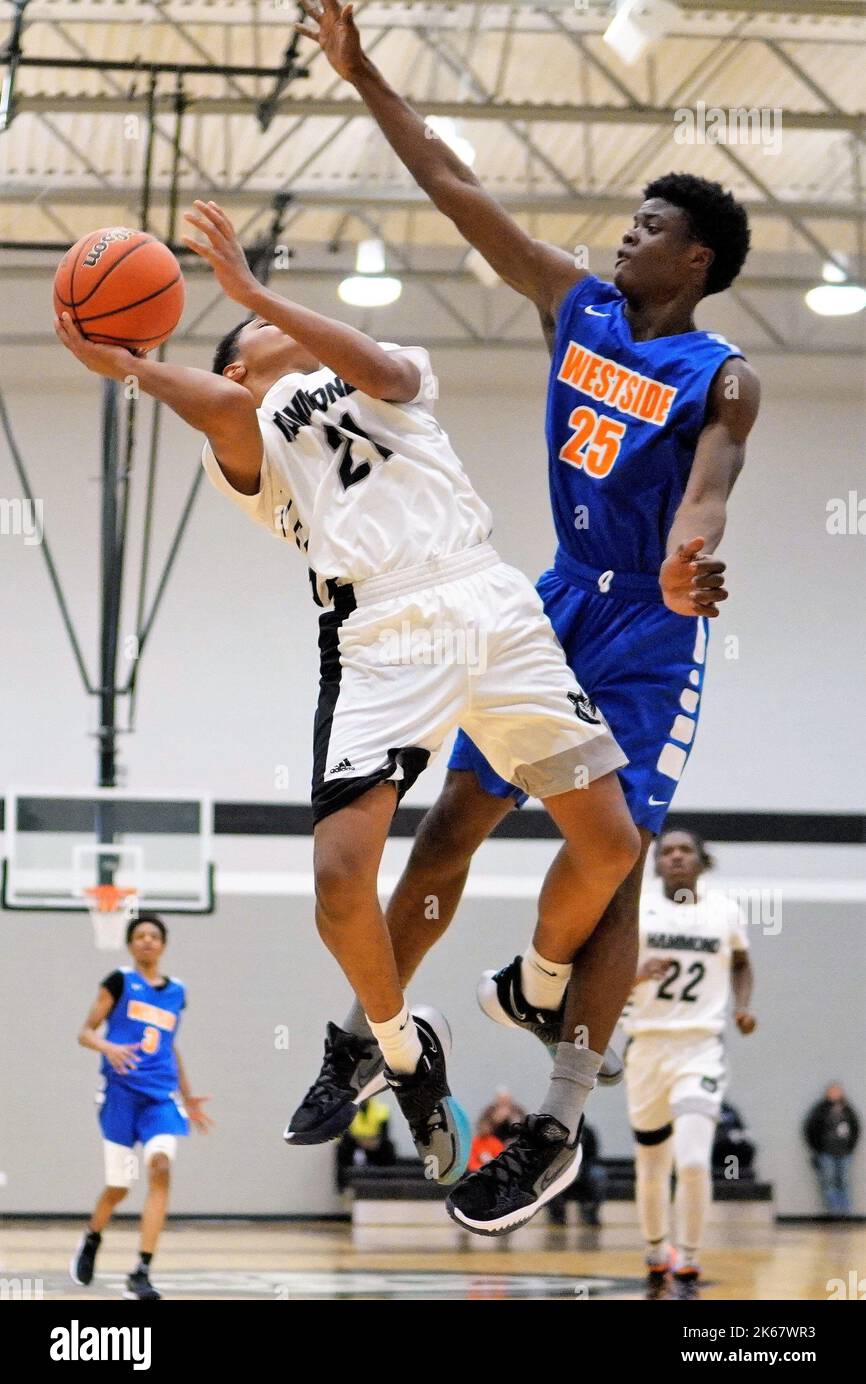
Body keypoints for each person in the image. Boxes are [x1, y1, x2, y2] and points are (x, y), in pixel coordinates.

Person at [56, 200, 639, 1197]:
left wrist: (251, 291)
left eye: (288, 317)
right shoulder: (246, 433)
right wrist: (137, 369)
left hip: (489, 602)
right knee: (337, 876)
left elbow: (392, 371)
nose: (285, 328)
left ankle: (536, 984)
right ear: (234, 363)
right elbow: (225, 410)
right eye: (258, 335)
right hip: (380, 630)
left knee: (611, 844)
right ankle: (397, 1047)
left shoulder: (378, 369)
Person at [295, 0, 761, 1234]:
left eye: (649, 226)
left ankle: (554, 1119)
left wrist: (688, 559)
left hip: (651, 633)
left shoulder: (719, 373)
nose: (625, 233)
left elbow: (705, 493)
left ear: (695, 262)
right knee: (452, 817)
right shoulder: (574, 306)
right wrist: (364, 73)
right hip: (551, 600)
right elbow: (452, 185)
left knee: (608, 869)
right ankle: (364, 1035)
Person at [621, 829, 756, 1294]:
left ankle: (691, 1258)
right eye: (667, 851)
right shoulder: (636, 909)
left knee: (695, 1160)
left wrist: (742, 1005)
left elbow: (740, 961)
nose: (677, 856)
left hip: (700, 1048)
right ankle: (657, 1250)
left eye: (686, 850)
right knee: (652, 1164)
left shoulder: (724, 911)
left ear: (702, 861)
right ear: (657, 863)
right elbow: (601, 975)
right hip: (646, 1048)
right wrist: (637, 976)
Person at [69, 914, 212, 1301]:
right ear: (131, 945)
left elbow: (169, 1045)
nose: (147, 941)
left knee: (161, 1168)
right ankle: (92, 1237)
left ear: (163, 945)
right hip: (120, 1095)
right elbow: (84, 1033)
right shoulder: (118, 982)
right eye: (140, 935)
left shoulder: (177, 991)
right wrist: (108, 1046)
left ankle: (142, 1270)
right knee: (119, 1187)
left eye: (154, 935)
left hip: (160, 1099)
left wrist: (188, 1092)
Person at [803, 1084, 860, 1217]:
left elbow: (855, 1129)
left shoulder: (847, 1109)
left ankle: (846, 1213)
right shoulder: (820, 1109)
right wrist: (817, 1148)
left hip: (844, 1153)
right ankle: (834, 1213)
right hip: (826, 1152)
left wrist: (851, 1147)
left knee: (844, 1182)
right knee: (829, 1182)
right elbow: (810, 1129)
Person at [336, 1097, 396, 1187]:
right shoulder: (347, 1111)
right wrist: (361, 1141)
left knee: (388, 1147)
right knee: (342, 1149)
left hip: (374, 1144)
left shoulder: (381, 1110)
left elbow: (384, 1134)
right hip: (356, 1142)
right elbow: (345, 1135)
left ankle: (387, 1184)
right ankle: (344, 1186)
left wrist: (373, 1142)